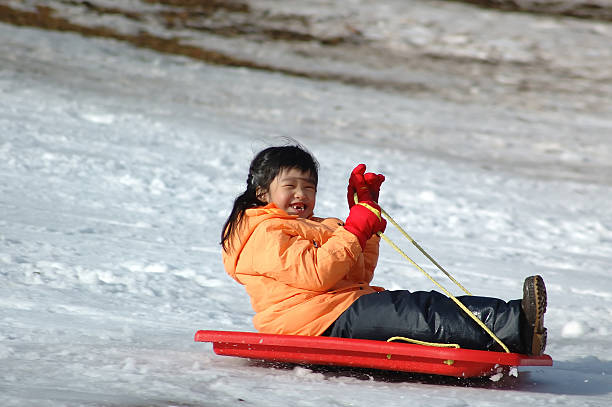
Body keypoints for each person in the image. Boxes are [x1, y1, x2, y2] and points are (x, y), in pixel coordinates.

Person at [221, 145, 547, 355]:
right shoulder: (263, 231)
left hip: (338, 307)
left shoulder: (317, 225)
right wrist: (354, 228)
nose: (301, 194)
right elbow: (317, 275)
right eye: (290, 186)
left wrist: (366, 221)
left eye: (309, 187)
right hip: (311, 320)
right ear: (263, 192)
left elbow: (356, 273)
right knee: (418, 317)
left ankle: (515, 320)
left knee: (422, 304)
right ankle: (514, 326)